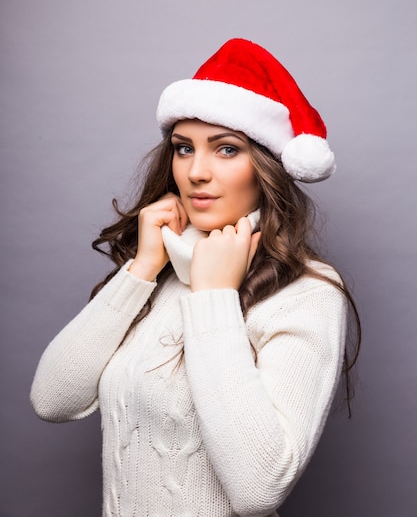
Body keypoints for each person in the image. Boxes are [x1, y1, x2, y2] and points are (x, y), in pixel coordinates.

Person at [31, 38, 360, 517]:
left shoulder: (307, 294)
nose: (196, 172)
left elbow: (258, 489)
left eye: (227, 149)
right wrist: (141, 267)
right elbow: (52, 399)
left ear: (266, 168)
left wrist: (213, 297)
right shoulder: (163, 267)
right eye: (183, 149)